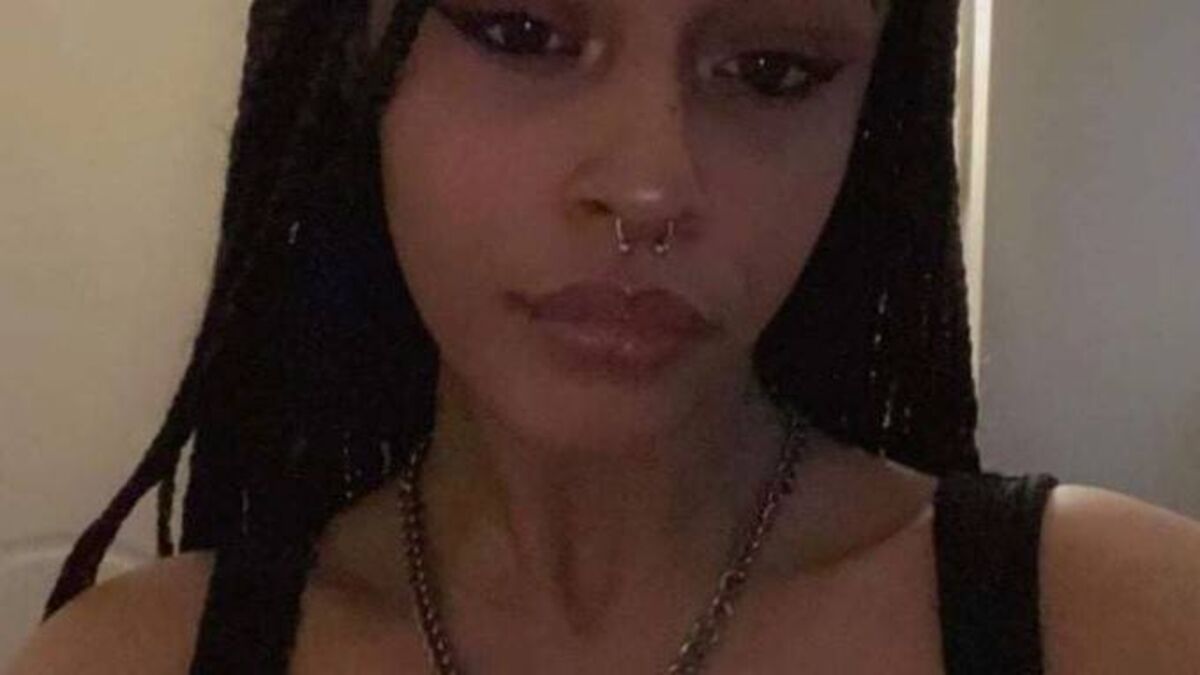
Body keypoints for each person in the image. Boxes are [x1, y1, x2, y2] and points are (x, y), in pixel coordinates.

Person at [8, 0, 1200, 672]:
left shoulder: (1121, 623)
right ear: (352, 57)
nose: (649, 185)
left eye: (774, 70)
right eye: (522, 32)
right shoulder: (131, 662)